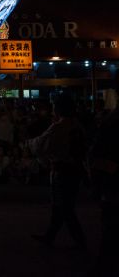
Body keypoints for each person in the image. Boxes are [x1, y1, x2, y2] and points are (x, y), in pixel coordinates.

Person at [26, 92, 87, 249]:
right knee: (62, 206)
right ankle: (51, 236)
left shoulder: (59, 127)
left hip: (62, 170)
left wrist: (30, 142)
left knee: (64, 207)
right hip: (75, 169)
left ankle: (80, 241)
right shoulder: (77, 126)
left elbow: (40, 145)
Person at [87, 107, 119, 276]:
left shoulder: (111, 121)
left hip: (113, 185)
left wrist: (97, 185)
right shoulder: (111, 120)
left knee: (111, 231)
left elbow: (98, 156)